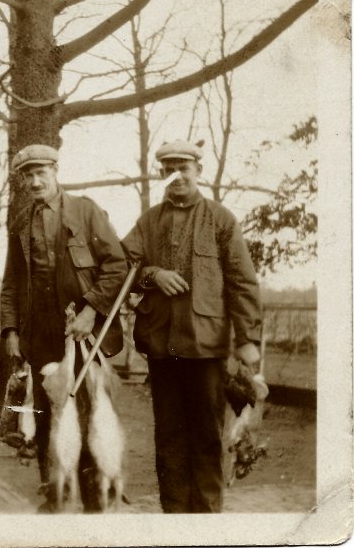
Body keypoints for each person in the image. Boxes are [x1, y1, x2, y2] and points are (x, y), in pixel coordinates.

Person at [121, 139, 262, 513]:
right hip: (162, 349)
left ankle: (206, 523)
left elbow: (242, 282)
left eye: (184, 167)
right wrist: (153, 275)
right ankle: (175, 522)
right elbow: (121, 268)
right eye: (169, 168)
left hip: (206, 350)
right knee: (168, 440)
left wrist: (248, 339)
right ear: (161, 175)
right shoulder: (148, 222)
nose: (177, 175)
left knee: (207, 440)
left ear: (198, 171)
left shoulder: (220, 219)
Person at [0, 144, 128, 512]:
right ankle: (55, 496)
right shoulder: (20, 225)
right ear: (23, 181)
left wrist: (91, 311)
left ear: (55, 171)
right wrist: (10, 330)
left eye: (42, 172)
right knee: (45, 421)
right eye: (28, 175)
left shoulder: (86, 212)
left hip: (87, 339)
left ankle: (95, 504)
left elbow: (117, 266)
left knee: (92, 419)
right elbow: (11, 283)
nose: (35, 181)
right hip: (40, 339)